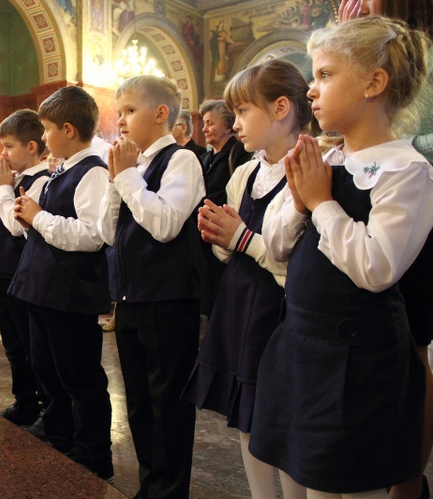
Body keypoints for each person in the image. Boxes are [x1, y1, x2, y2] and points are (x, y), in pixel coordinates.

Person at [250, 16, 433, 497]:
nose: (312, 90)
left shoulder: (407, 170)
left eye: (326, 75)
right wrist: (296, 199)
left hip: (357, 370)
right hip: (300, 348)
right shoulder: (326, 159)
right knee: (294, 482)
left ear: (374, 82)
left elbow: (377, 268)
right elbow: (277, 244)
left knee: (337, 486)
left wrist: (321, 203)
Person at [183, 60, 312, 499]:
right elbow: (226, 251)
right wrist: (219, 233)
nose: (235, 124)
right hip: (238, 301)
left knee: (282, 422)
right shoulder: (245, 172)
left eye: (242, 113)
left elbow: (299, 265)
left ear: (281, 109)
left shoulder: (310, 170)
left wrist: (239, 237)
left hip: (280, 313)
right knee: (245, 413)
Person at [338, 4, 433, 498]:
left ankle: (406, 481)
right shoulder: (372, 41)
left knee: (411, 343)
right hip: (374, 186)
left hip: (411, 193)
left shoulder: (416, 54)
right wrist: (348, 36)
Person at [97, 75, 205, 498]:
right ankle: (150, 483)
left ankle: (170, 490)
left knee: (169, 402)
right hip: (130, 299)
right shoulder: (132, 168)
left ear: (160, 114)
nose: (120, 121)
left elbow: (163, 225)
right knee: (140, 400)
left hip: (168, 298)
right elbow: (108, 232)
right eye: (118, 112)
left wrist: (125, 179)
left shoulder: (181, 161)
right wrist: (115, 181)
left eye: (129, 111)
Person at [9, 85, 113, 481]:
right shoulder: (62, 170)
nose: (44, 136)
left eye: (48, 128)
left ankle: (92, 454)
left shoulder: (93, 172)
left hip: (71, 292)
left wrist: (39, 218)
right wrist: (31, 217)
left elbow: (91, 235)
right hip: (43, 288)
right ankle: (61, 437)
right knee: (47, 368)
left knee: (79, 376)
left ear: (68, 129)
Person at [0, 109, 50, 425]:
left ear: (32, 146)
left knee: (31, 346)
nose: (3, 154)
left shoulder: (41, 181)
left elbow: (15, 226)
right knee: (12, 344)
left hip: (25, 273)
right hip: (3, 270)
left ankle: (44, 407)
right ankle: (23, 401)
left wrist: (3, 189)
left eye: (9, 146)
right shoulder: (11, 181)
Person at [198, 99, 252, 318]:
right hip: (205, 232)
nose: (204, 129)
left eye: (210, 123)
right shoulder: (205, 157)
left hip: (228, 232)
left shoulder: (240, 152)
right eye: (203, 123)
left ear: (229, 126)